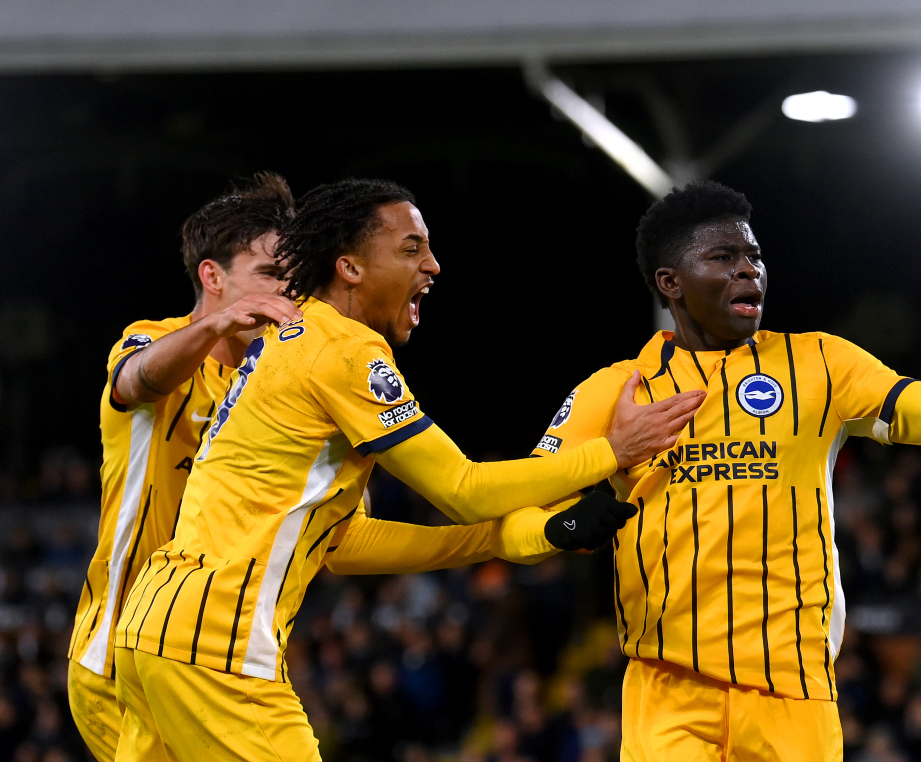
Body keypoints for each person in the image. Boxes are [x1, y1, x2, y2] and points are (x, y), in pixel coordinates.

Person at [526, 181, 921, 762]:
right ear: (670, 282)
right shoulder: (614, 391)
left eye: (753, 256)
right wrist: (564, 524)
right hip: (667, 690)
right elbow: (523, 494)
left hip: (794, 692)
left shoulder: (823, 366)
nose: (749, 269)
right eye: (723, 258)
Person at [109, 178, 704, 761]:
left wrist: (518, 537)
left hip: (152, 632)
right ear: (351, 267)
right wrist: (613, 451)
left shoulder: (291, 342)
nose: (433, 266)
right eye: (411, 248)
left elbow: (342, 541)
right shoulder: (343, 350)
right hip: (216, 644)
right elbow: (463, 488)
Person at [66, 172, 303, 761]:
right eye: (271, 276)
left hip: (201, 653)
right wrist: (218, 325)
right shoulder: (151, 341)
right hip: (119, 653)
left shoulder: (272, 385)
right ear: (212, 276)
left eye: (294, 282)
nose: (286, 295)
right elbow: (135, 380)